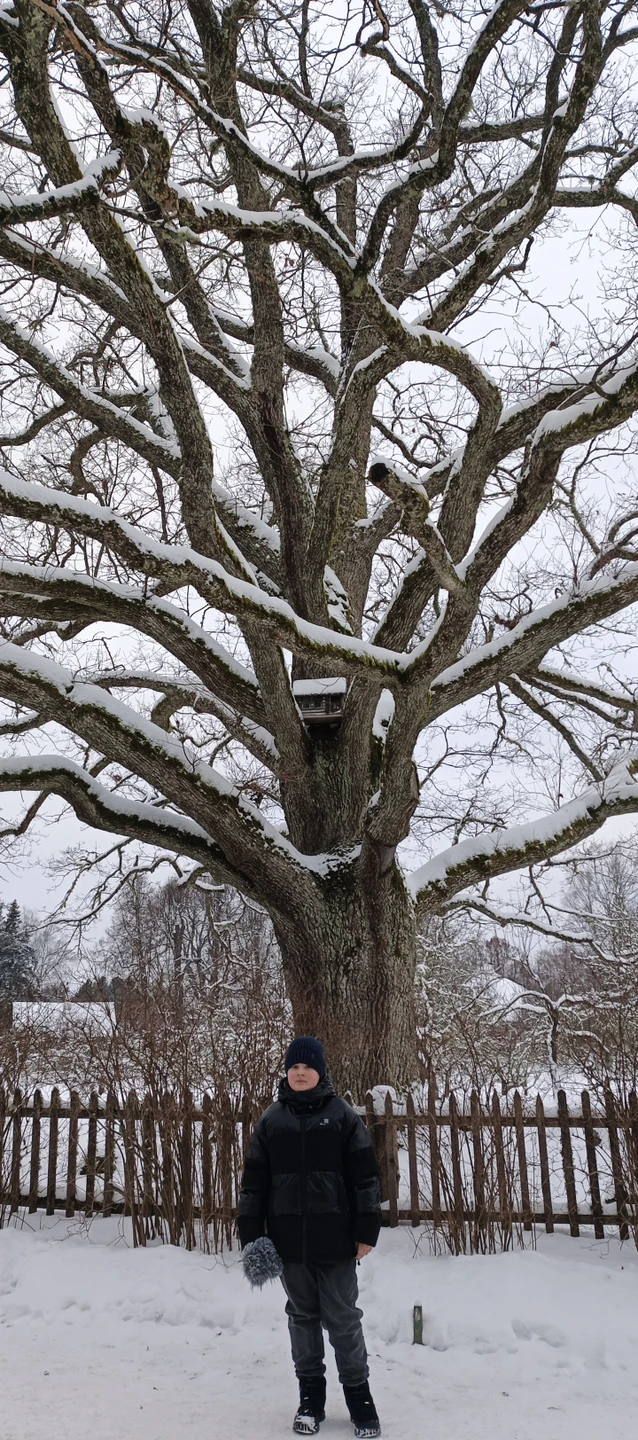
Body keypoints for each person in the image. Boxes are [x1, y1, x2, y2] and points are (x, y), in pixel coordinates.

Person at [238, 1036, 382, 1437]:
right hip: (288, 1243)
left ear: (320, 1071)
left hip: (336, 1240)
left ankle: (360, 1399)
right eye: (294, 1067)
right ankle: (310, 1399)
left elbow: (365, 1178)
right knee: (302, 1319)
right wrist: (252, 1232)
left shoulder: (343, 1117)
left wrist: (366, 1227)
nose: (300, 1073)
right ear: (286, 1073)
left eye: (307, 1067)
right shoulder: (271, 1121)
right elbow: (253, 1184)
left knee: (344, 1320)